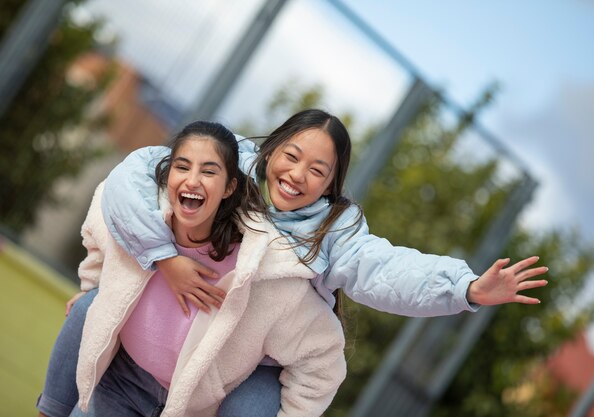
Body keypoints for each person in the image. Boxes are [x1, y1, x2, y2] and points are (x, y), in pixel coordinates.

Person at [38, 109, 548, 417]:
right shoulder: (226, 168)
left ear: (331, 185)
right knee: (89, 312)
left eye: (317, 170)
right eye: (291, 156)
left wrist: (464, 288)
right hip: (165, 337)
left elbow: (386, 270)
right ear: (269, 149)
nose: (297, 174)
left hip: (250, 358)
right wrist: (163, 257)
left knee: (255, 406)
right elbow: (131, 179)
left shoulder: (334, 231)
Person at [38, 121, 346, 417]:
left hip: (195, 407)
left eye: (209, 172)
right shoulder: (143, 219)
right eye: (182, 167)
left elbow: (323, 357)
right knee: (87, 309)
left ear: (229, 187)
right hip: (120, 385)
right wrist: (95, 285)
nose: (192, 180)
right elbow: (102, 223)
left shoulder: (269, 266)